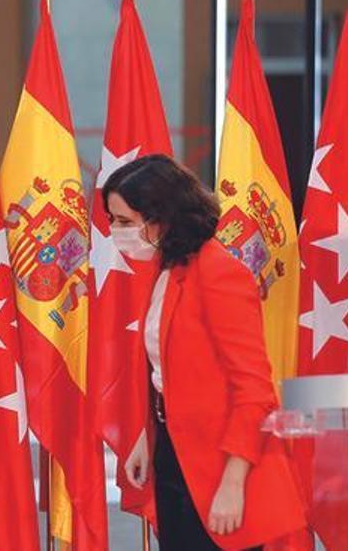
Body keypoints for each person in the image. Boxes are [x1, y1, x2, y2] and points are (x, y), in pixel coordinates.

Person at [103, 154, 306, 550]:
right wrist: (148, 439)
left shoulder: (217, 271)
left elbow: (255, 391)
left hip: (224, 463)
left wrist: (233, 482)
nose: (115, 232)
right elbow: (166, 369)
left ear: (161, 217)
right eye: (112, 221)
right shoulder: (165, 268)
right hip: (173, 451)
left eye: (125, 222)